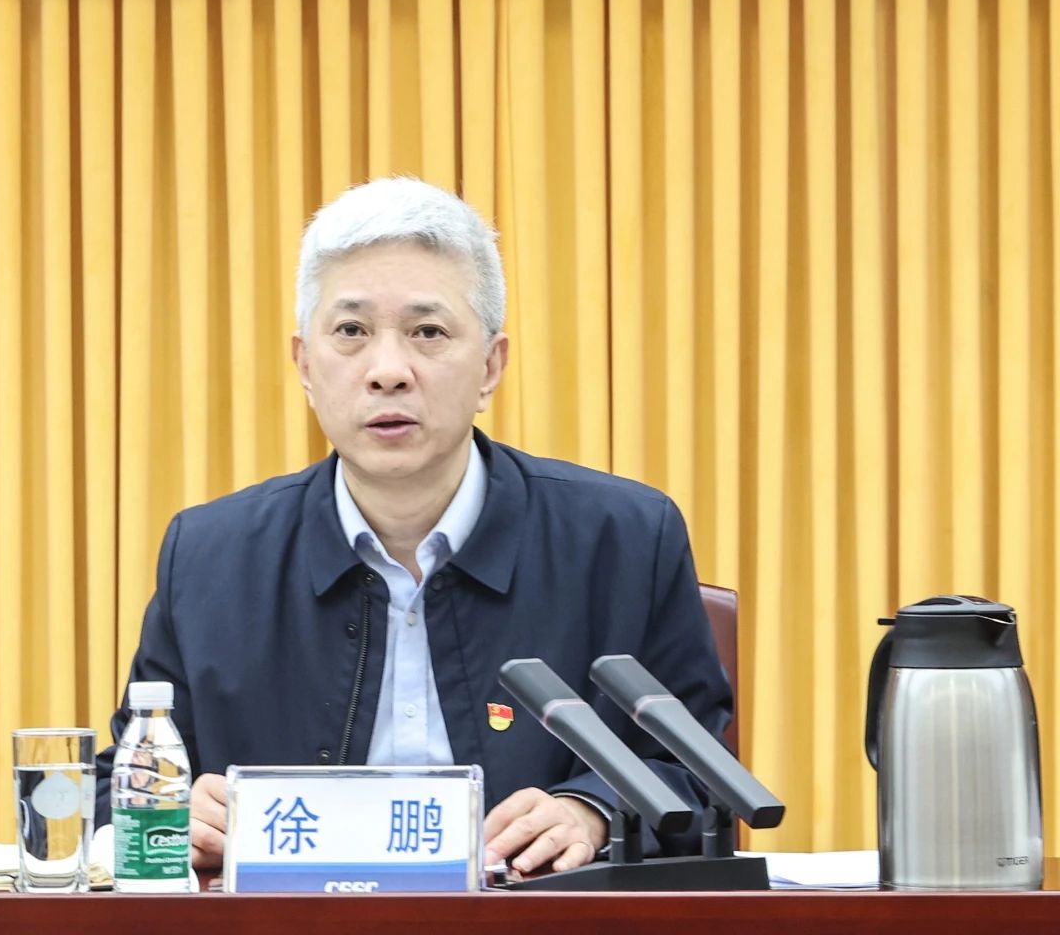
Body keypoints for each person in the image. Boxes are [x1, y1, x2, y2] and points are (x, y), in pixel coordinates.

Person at [95, 177, 732, 877]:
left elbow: (702, 776)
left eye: (428, 332)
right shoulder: (211, 557)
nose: (388, 371)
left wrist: (594, 810)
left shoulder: (626, 541)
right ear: (305, 365)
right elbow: (119, 784)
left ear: (490, 366)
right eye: (351, 332)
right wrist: (171, 812)